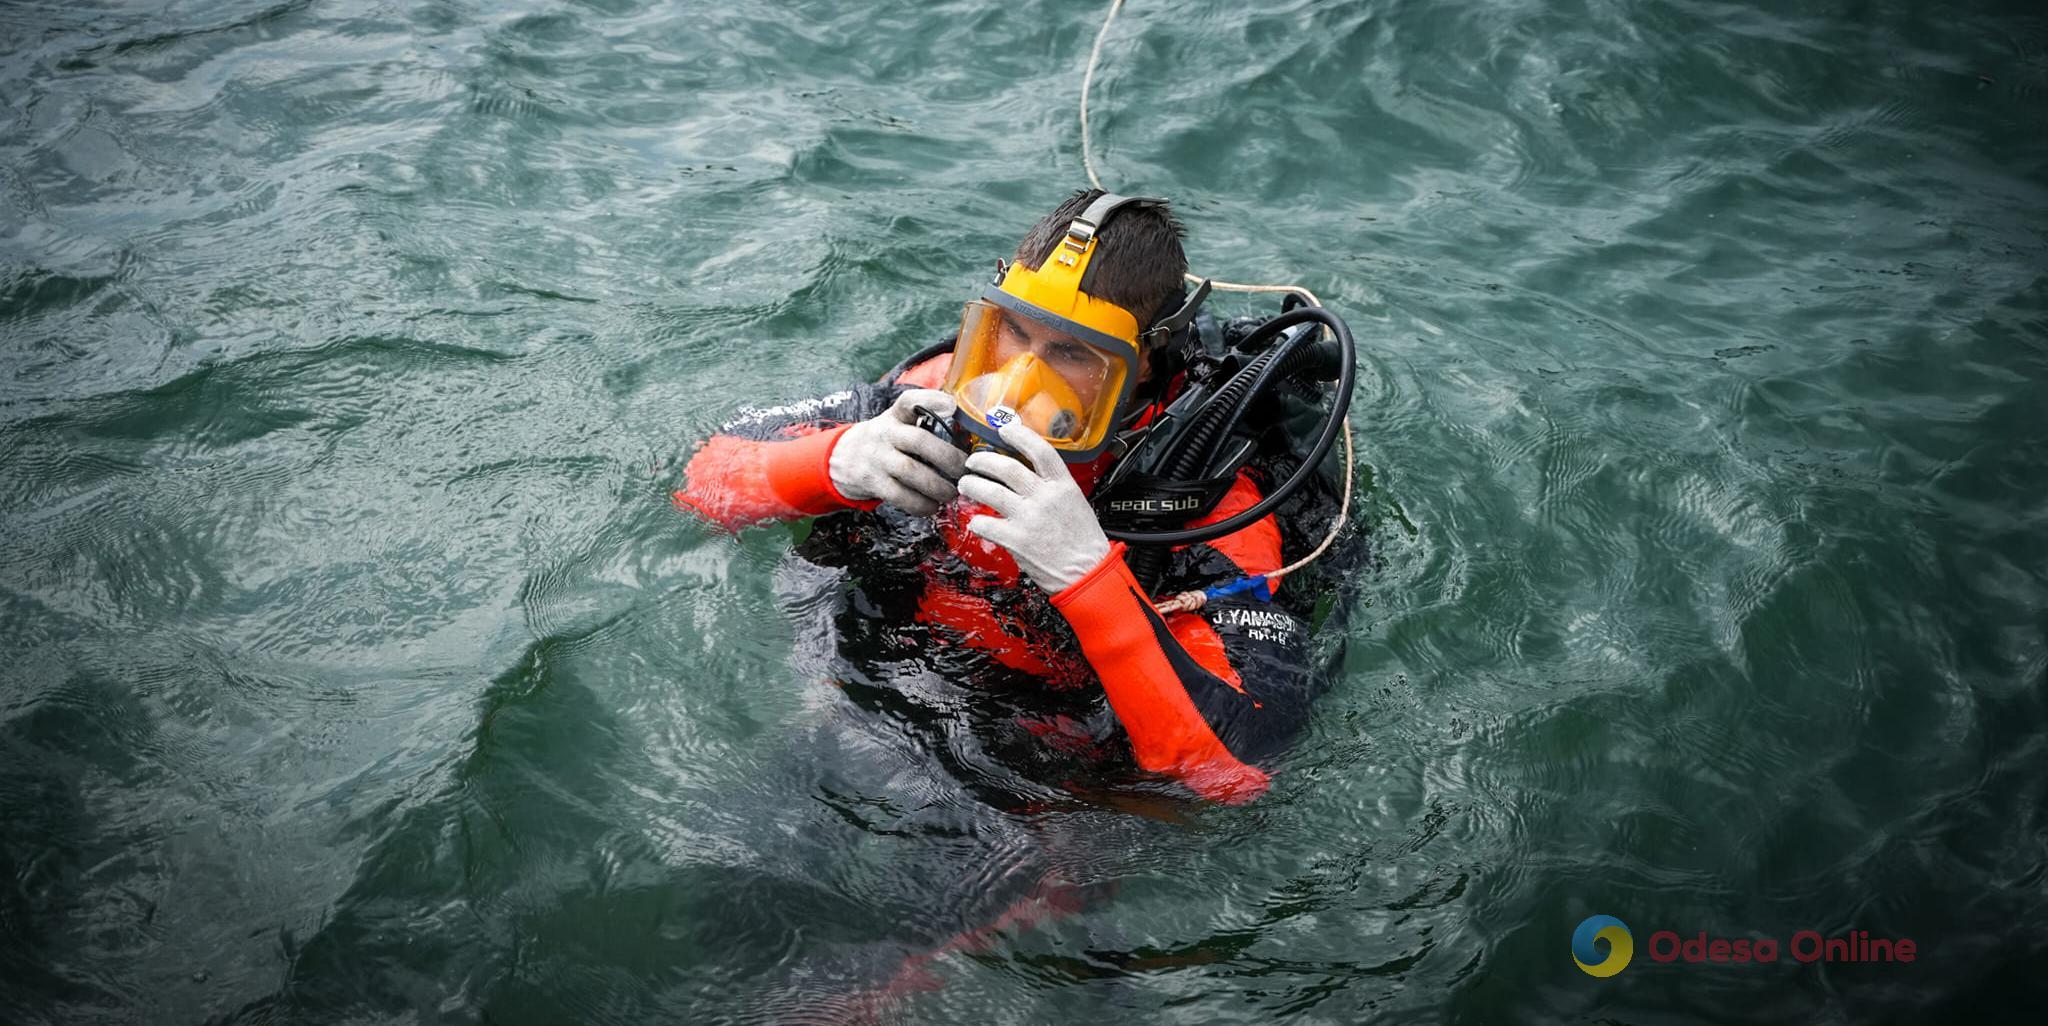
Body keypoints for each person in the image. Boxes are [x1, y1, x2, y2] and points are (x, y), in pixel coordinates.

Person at [672, 189, 1337, 804]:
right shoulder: (939, 390)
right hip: (884, 684)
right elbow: (701, 485)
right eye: (1014, 331)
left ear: (1144, 367)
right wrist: (834, 461)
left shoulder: (1215, 499)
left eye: (1073, 354)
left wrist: (1089, 579)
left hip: (1055, 781)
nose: (1019, 378)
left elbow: (1237, 770)